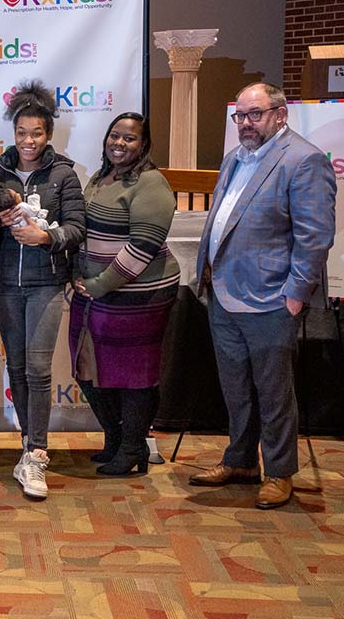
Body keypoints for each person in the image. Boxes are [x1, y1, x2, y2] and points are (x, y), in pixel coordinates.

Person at [189, 82, 337, 509]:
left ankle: (278, 472)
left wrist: (295, 295)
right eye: (240, 116)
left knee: (273, 391)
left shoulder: (303, 159)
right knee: (235, 387)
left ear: (280, 114)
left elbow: (314, 237)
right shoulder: (235, 157)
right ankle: (240, 460)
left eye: (255, 115)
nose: (245, 124)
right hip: (223, 293)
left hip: (272, 298)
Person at [0, 82, 85, 499]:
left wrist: (46, 238)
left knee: (40, 369)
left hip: (47, 283)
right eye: (22, 133)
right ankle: (28, 446)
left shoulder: (64, 173)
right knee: (17, 369)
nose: (28, 141)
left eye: (37, 134)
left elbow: (78, 228)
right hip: (6, 283)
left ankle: (38, 451)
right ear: (13, 134)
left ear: (48, 135)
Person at [69, 112, 179, 477]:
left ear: (144, 145)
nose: (119, 143)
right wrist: (81, 277)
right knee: (89, 369)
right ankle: (115, 439)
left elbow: (143, 246)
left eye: (129, 138)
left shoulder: (151, 184)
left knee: (133, 375)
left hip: (139, 296)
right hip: (92, 291)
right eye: (114, 136)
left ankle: (133, 448)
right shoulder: (102, 178)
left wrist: (100, 284)